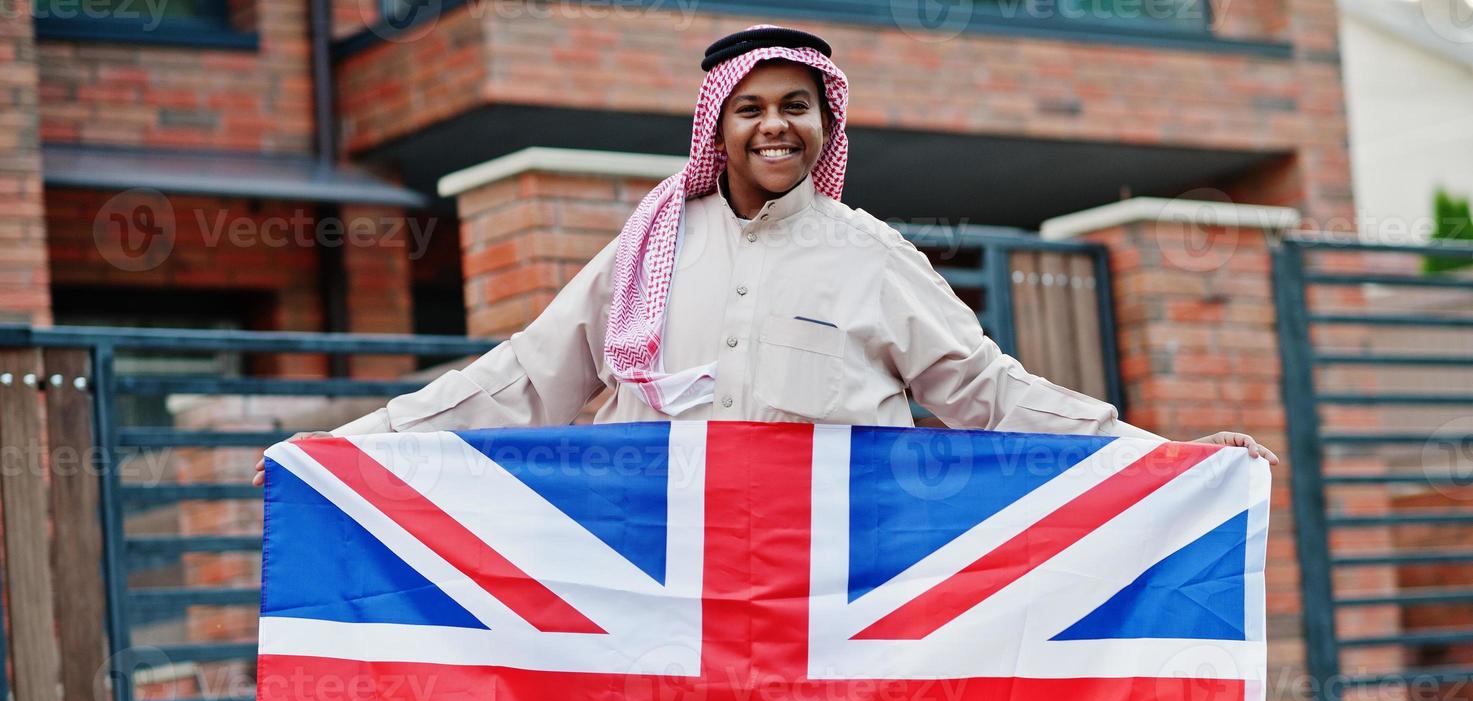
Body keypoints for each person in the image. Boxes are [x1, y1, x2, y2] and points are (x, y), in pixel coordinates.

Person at [253, 24, 1275, 488]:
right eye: (753, 109)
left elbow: (987, 392)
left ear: (827, 127)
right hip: (666, 597)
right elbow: (528, 376)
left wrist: (1164, 459)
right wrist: (358, 446)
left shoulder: (872, 257)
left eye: (797, 108)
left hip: (830, 612)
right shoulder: (646, 249)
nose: (775, 127)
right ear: (718, 125)